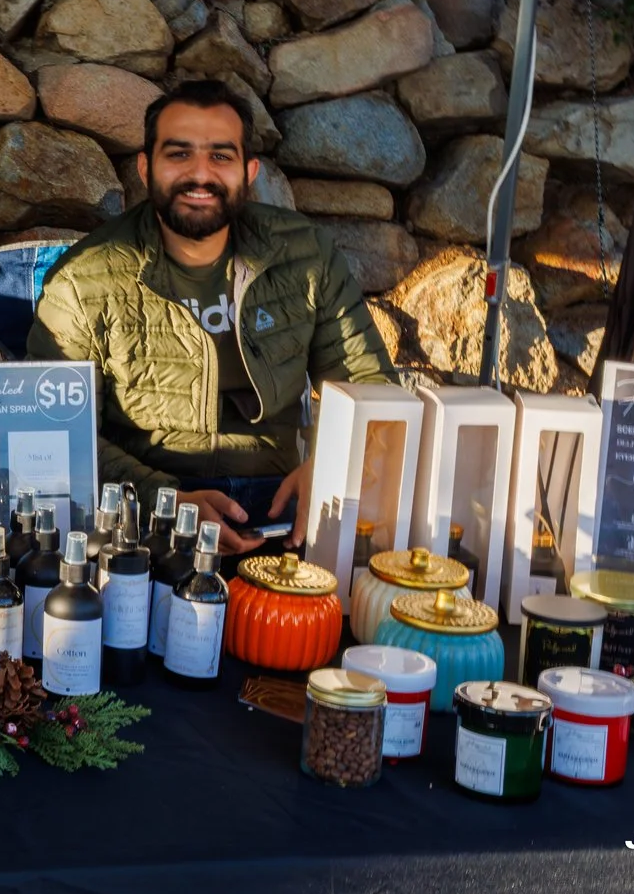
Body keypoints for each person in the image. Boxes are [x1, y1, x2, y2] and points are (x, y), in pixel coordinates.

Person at [25, 78, 395, 551]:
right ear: (145, 167)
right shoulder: (83, 279)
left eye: (220, 156)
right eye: (179, 154)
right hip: (144, 517)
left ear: (250, 171)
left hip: (280, 507)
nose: (200, 174)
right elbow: (55, 431)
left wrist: (328, 465)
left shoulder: (305, 255)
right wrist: (165, 499)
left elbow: (373, 391)